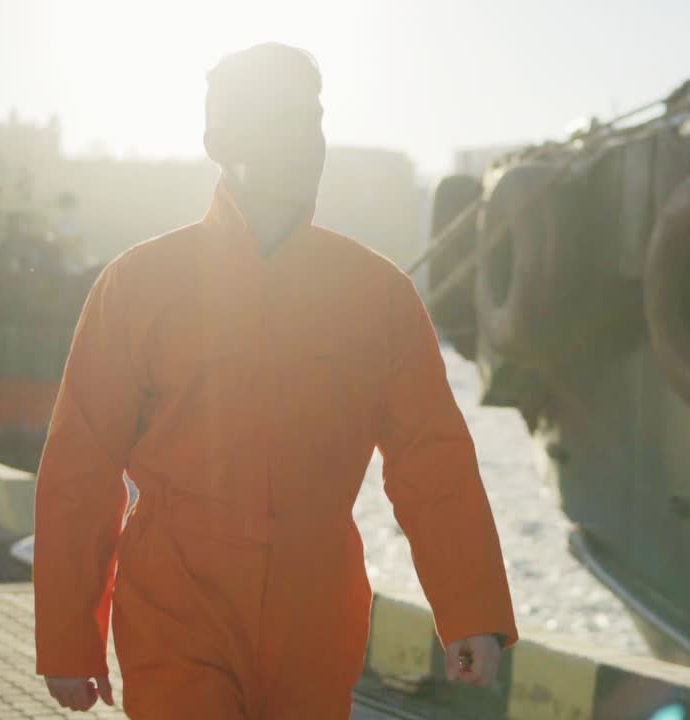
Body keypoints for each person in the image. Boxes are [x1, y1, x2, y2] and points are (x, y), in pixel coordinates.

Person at [33, 43, 519, 719]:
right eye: (277, 121)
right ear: (218, 141)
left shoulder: (376, 294)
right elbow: (81, 469)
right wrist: (68, 638)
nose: (305, 142)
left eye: (311, 120)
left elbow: (430, 458)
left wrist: (471, 612)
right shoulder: (140, 286)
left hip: (316, 615)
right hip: (177, 608)